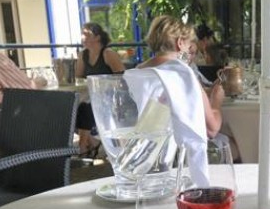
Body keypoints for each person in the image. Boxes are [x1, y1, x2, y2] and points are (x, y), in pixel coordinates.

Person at [138, 16, 224, 138]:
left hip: (143, 150)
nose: (189, 51)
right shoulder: (184, 75)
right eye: (189, 46)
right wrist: (216, 103)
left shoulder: (136, 72)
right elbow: (212, 130)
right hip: (178, 152)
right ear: (180, 43)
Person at [74, 22, 126, 157]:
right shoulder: (83, 55)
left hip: (111, 98)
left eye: (86, 34)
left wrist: (103, 85)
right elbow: (78, 78)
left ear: (97, 37)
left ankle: (83, 146)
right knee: (71, 108)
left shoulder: (108, 54)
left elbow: (123, 79)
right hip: (91, 96)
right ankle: (91, 142)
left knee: (84, 109)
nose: (82, 37)